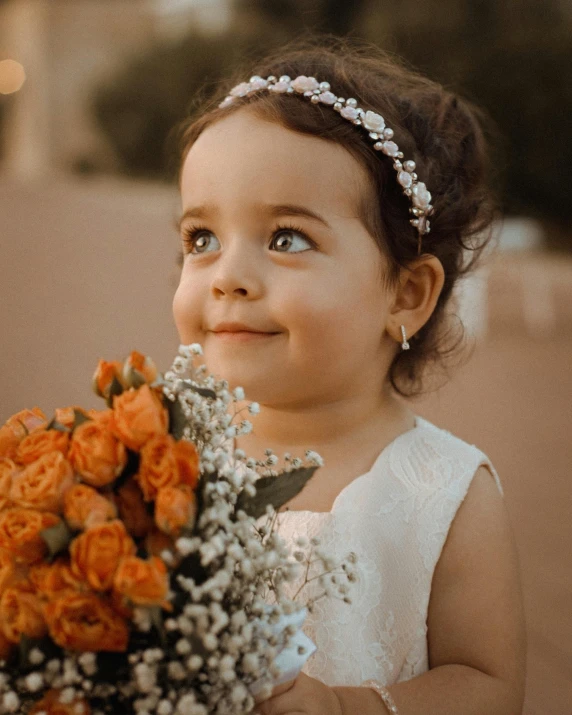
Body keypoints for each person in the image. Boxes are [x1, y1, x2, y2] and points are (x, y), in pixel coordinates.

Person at [171, 36, 527, 715]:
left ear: (406, 294)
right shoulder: (166, 460)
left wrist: (342, 705)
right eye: (201, 239)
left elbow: (491, 685)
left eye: (286, 238)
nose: (227, 278)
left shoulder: (444, 491)